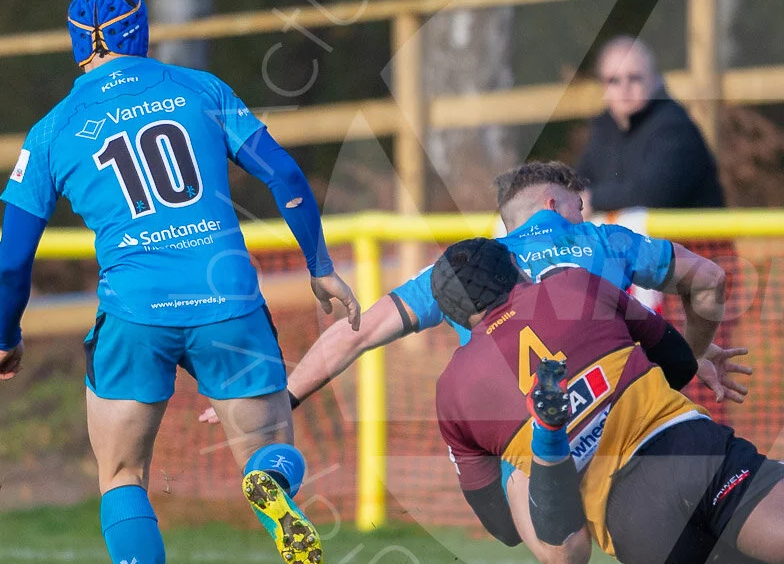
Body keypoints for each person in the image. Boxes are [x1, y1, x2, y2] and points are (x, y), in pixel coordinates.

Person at [0, 0, 360, 564]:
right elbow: (286, 178)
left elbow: (12, 261)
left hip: (134, 313)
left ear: (76, 44)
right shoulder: (201, 89)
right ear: (141, 33)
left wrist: (5, 339)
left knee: (122, 473)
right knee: (274, 443)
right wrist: (319, 264)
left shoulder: (51, 131)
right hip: (228, 301)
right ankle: (271, 484)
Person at [430, 238, 784, 564]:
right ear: (517, 271)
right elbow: (674, 360)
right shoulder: (573, 285)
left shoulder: (452, 389)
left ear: (454, 316)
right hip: (689, 453)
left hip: (634, 530)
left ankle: (550, 439)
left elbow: (503, 528)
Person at [199, 161, 750, 426]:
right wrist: (695, 351)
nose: (586, 212)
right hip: (631, 419)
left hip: (535, 455)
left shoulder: (468, 271)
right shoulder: (609, 240)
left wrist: (281, 400)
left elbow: (355, 334)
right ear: (555, 207)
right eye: (579, 204)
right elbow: (710, 280)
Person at [577, 36, 725, 212]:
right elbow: (579, 182)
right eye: (613, 80)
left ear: (656, 80)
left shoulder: (675, 127)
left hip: (691, 239)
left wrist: (592, 199)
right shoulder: (604, 129)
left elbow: (655, 195)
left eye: (634, 78)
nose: (624, 88)